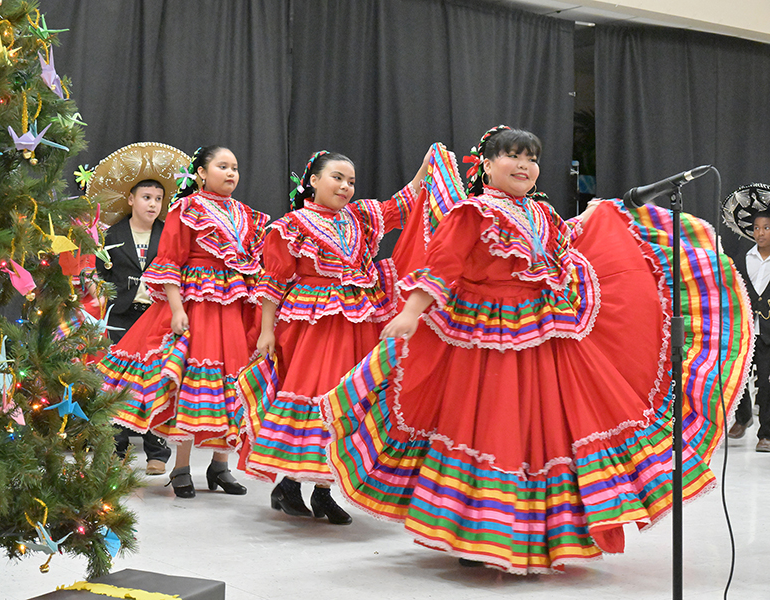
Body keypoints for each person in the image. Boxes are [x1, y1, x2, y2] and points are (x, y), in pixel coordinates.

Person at [322, 126, 752, 571]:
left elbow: (566, 253)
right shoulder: (471, 212)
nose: (524, 165)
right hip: (484, 332)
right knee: (492, 424)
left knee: (541, 430)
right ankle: (477, 531)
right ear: (487, 165)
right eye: (512, 156)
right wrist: (411, 311)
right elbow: (442, 264)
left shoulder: (543, 215)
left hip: (543, 328)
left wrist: (604, 218)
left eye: (531, 158)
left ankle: (530, 532)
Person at [237, 149, 429, 525]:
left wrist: (426, 167)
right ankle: (291, 483)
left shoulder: (360, 217)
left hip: (357, 321)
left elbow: (400, 206)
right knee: (314, 392)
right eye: (337, 178)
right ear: (313, 180)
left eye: (351, 181)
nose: (345, 187)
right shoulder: (291, 226)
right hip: (312, 324)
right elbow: (272, 283)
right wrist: (265, 331)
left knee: (346, 398)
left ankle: (324, 491)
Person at [98, 146, 269, 498]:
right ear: (202, 173)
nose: (231, 173)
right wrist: (177, 309)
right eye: (222, 166)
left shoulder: (245, 214)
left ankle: (221, 466)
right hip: (197, 305)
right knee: (192, 382)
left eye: (235, 167)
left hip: (232, 306)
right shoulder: (186, 208)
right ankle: (180, 468)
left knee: (230, 382)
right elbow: (170, 262)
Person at [96, 177, 173, 475]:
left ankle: (157, 450)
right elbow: (98, 273)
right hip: (120, 316)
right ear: (131, 199)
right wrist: (102, 289)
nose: (152, 204)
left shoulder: (168, 235)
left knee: (154, 382)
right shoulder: (111, 234)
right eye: (146, 197)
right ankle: (116, 448)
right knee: (118, 384)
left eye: (158, 199)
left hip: (156, 318)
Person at [722, 185, 770, 452]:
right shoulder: (743, 258)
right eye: (756, 228)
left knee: (766, 383)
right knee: (735, 375)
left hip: (769, 332)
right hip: (745, 329)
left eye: (766, 228)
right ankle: (743, 417)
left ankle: (767, 433)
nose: (760, 233)